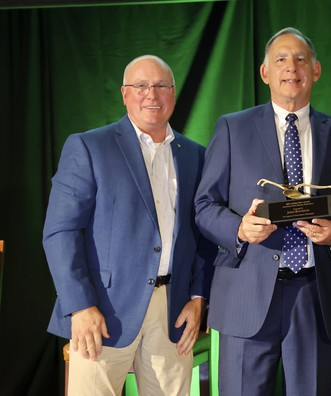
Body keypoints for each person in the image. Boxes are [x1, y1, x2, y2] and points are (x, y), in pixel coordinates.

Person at [194, 27, 331, 396]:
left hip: (315, 294)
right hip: (246, 292)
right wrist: (239, 229)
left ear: (316, 70)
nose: (292, 67)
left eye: (301, 59)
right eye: (281, 59)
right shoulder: (232, 128)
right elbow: (204, 206)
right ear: (265, 73)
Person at [43, 55, 213, 395]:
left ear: (173, 94)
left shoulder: (196, 155)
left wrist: (198, 297)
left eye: (161, 85)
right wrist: (80, 305)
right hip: (103, 313)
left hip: (173, 313)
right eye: (141, 85)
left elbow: (205, 232)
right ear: (124, 94)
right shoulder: (89, 147)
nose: (152, 94)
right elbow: (60, 232)